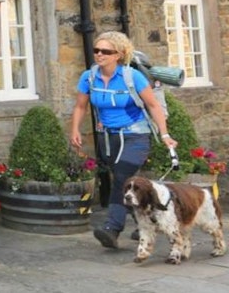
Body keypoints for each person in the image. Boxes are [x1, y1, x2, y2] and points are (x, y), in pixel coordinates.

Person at [69, 31, 176, 250]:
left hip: (136, 135)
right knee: (127, 183)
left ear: (119, 54)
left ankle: (112, 228)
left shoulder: (131, 77)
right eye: (96, 50)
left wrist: (164, 135)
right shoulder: (89, 77)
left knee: (121, 178)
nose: (99, 55)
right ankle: (149, 221)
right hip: (108, 138)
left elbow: (154, 106)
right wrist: (75, 130)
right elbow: (81, 106)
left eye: (105, 51)